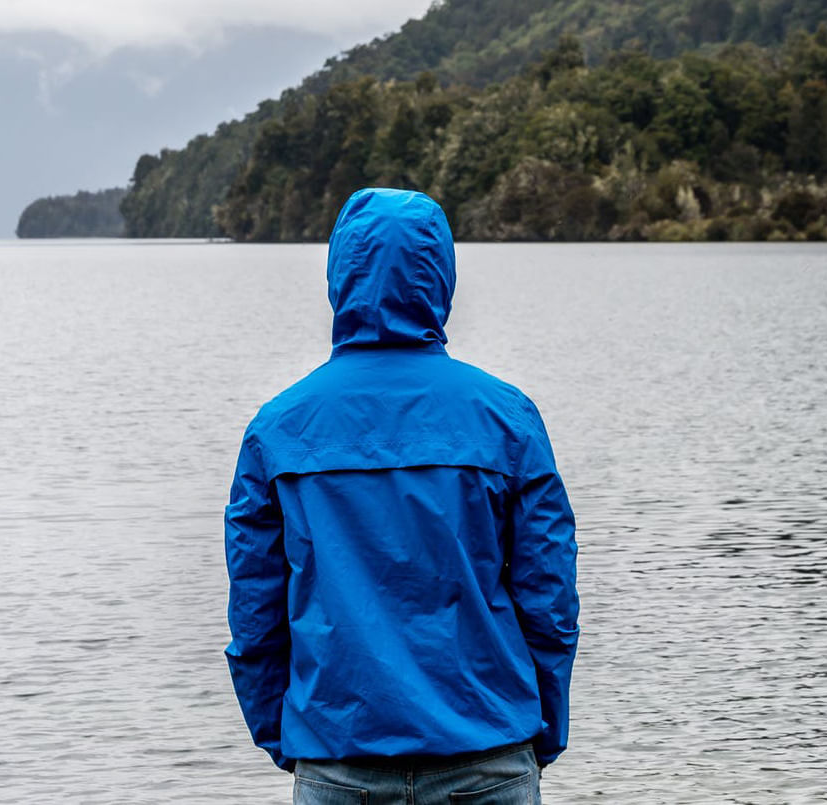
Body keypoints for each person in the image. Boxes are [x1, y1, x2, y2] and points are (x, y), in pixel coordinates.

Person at [225, 187, 579, 804]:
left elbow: (256, 618)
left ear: (340, 275)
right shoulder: (507, 419)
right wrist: (539, 730)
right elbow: (549, 600)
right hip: (489, 754)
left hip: (339, 761)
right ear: (440, 276)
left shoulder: (279, 429)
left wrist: (285, 738)